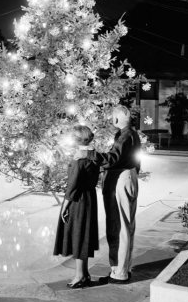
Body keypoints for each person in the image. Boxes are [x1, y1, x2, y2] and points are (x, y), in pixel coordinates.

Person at [74, 105, 141, 284]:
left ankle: (119, 273)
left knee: (119, 226)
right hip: (127, 176)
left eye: (112, 117)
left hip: (121, 177)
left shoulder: (126, 136)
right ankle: (120, 269)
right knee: (123, 225)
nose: (111, 120)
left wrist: (88, 153)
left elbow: (112, 158)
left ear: (117, 119)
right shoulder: (130, 134)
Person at [53, 125, 100, 288]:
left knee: (78, 236)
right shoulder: (93, 156)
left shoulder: (79, 158)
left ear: (76, 139)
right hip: (89, 198)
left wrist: (64, 206)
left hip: (78, 200)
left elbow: (72, 186)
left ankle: (80, 275)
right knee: (84, 235)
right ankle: (85, 273)